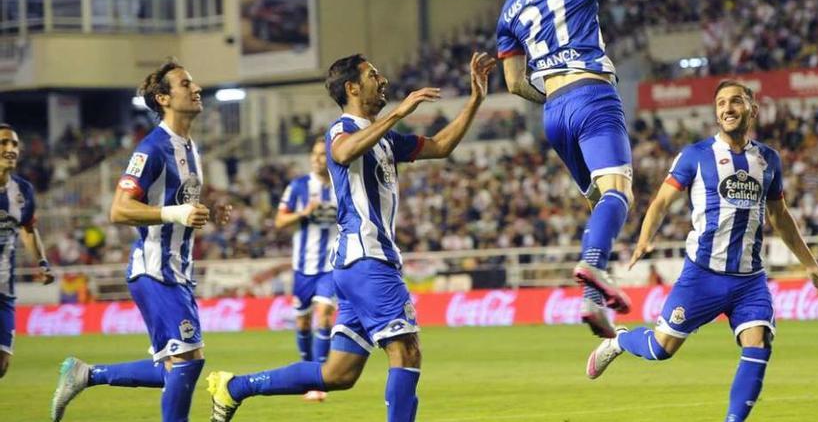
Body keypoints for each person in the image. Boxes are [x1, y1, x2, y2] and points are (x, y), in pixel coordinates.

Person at [205, 51, 496, 422]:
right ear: (353, 87)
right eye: (374, 74)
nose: (383, 80)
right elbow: (342, 153)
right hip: (366, 259)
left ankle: (236, 387)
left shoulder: (387, 140)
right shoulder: (341, 130)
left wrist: (475, 100)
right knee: (406, 350)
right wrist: (399, 113)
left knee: (337, 374)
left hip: (358, 263)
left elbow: (441, 146)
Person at [586, 81, 818, 422]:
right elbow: (661, 200)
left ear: (753, 108)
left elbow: (780, 216)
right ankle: (619, 341)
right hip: (702, 276)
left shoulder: (768, 160)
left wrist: (810, 264)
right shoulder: (696, 155)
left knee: (759, 343)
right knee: (660, 349)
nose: (727, 108)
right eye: (721, 102)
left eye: (736, 101)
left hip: (749, 280)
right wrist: (645, 237)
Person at [496, 0, 660, 337]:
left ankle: (594, 302)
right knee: (618, 193)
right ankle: (591, 267)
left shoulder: (510, 7)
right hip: (591, 94)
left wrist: (554, 94)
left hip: (554, 113)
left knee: (597, 202)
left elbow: (514, 83)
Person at [50, 60, 232, 422]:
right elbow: (119, 210)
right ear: (164, 98)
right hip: (155, 270)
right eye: (185, 84)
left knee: (179, 363)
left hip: (177, 271)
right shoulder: (151, 149)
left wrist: (207, 210)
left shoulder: (190, 147)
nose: (196, 88)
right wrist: (175, 214)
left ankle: (86, 375)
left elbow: (176, 204)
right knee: (186, 362)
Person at [275, 138, 338, 401]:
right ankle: (306, 371)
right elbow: (279, 221)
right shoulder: (298, 186)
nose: (317, 159)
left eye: (323, 155)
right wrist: (303, 213)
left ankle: (319, 380)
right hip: (303, 268)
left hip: (331, 267)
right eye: (314, 154)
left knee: (323, 316)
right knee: (302, 322)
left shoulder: (341, 185)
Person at [0, 123, 55, 378]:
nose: (10, 149)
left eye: (14, 144)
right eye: (3, 143)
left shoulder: (23, 190)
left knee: (2, 364)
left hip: (4, 291)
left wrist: (42, 262)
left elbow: (28, 229)